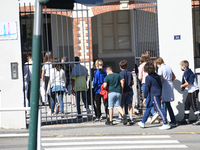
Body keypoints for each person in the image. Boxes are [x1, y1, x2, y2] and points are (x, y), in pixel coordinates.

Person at [138, 62, 170, 130]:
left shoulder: (148, 77)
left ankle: (165, 123)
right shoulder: (157, 76)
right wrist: (160, 94)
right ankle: (143, 122)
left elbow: (146, 88)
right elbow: (160, 85)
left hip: (154, 94)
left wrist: (145, 97)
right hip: (157, 93)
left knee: (159, 109)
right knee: (148, 107)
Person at [154, 57, 177, 127]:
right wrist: (169, 81)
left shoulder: (160, 69)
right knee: (167, 103)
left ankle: (166, 119)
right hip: (170, 84)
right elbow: (174, 76)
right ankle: (168, 119)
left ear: (158, 63)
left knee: (165, 103)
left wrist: (159, 86)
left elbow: (160, 79)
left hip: (164, 85)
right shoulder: (169, 67)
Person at [138, 53, 159, 124]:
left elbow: (140, 77)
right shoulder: (151, 64)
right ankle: (149, 116)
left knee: (146, 100)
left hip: (145, 82)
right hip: (153, 82)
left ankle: (153, 113)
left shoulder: (141, 66)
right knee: (151, 99)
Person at [179, 60, 200, 125]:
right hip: (191, 90)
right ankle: (186, 119)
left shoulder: (187, 72)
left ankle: (199, 119)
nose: (181, 68)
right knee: (187, 103)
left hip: (193, 90)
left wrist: (182, 85)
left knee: (194, 105)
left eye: (181, 66)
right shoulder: (188, 71)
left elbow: (188, 83)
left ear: (184, 67)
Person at [71, 57, 91, 121]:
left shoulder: (74, 69)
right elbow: (86, 77)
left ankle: (79, 115)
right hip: (83, 85)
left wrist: (72, 88)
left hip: (77, 85)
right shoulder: (84, 68)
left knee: (78, 101)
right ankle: (87, 108)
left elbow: (73, 79)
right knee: (84, 99)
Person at [116, 60, 134, 124]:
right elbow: (132, 82)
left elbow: (122, 81)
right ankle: (131, 117)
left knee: (121, 103)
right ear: (126, 66)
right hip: (130, 89)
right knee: (130, 105)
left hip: (124, 90)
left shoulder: (121, 73)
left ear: (120, 67)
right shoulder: (130, 73)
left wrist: (121, 90)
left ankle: (120, 116)